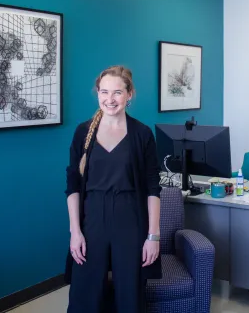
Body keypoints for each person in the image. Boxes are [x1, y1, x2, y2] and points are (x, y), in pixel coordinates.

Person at [64, 65, 162, 313]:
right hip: (92, 220)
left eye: (117, 92)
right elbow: (73, 185)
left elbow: (153, 188)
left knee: (129, 296)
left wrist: (153, 236)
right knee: (84, 295)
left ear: (130, 95)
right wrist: (75, 232)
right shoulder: (83, 132)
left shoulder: (142, 134)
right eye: (104, 92)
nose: (110, 99)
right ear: (97, 92)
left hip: (130, 221)